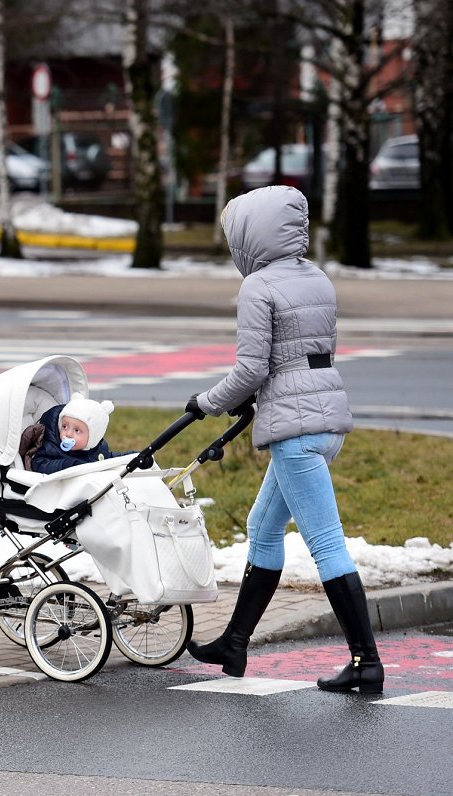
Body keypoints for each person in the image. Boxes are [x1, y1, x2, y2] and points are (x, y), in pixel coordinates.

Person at [184, 185, 382, 694]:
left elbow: (252, 368)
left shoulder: (257, 287)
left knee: (325, 544)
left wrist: (208, 402)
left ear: (251, 234)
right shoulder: (316, 277)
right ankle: (235, 643)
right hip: (324, 420)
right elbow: (303, 357)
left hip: (295, 433)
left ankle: (366, 662)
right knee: (262, 526)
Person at [24, 393, 126, 474]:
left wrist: (133, 455)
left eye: (77, 430)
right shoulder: (52, 445)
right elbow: (38, 464)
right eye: (64, 426)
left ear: (93, 437)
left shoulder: (99, 449)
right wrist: (70, 465)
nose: (68, 434)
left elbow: (109, 459)